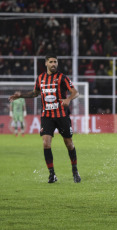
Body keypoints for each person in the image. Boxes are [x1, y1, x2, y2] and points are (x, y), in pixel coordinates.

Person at [9, 53, 81, 184]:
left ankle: (75, 171)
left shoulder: (62, 78)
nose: (54, 64)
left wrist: (68, 99)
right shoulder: (40, 78)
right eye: (51, 62)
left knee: (69, 144)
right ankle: (52, 174)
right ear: (46, 63)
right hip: (47, 116)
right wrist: (21, 95)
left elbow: (75, 92)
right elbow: (35, 93)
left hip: (62, 116)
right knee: (46, 143)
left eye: (55, 62)